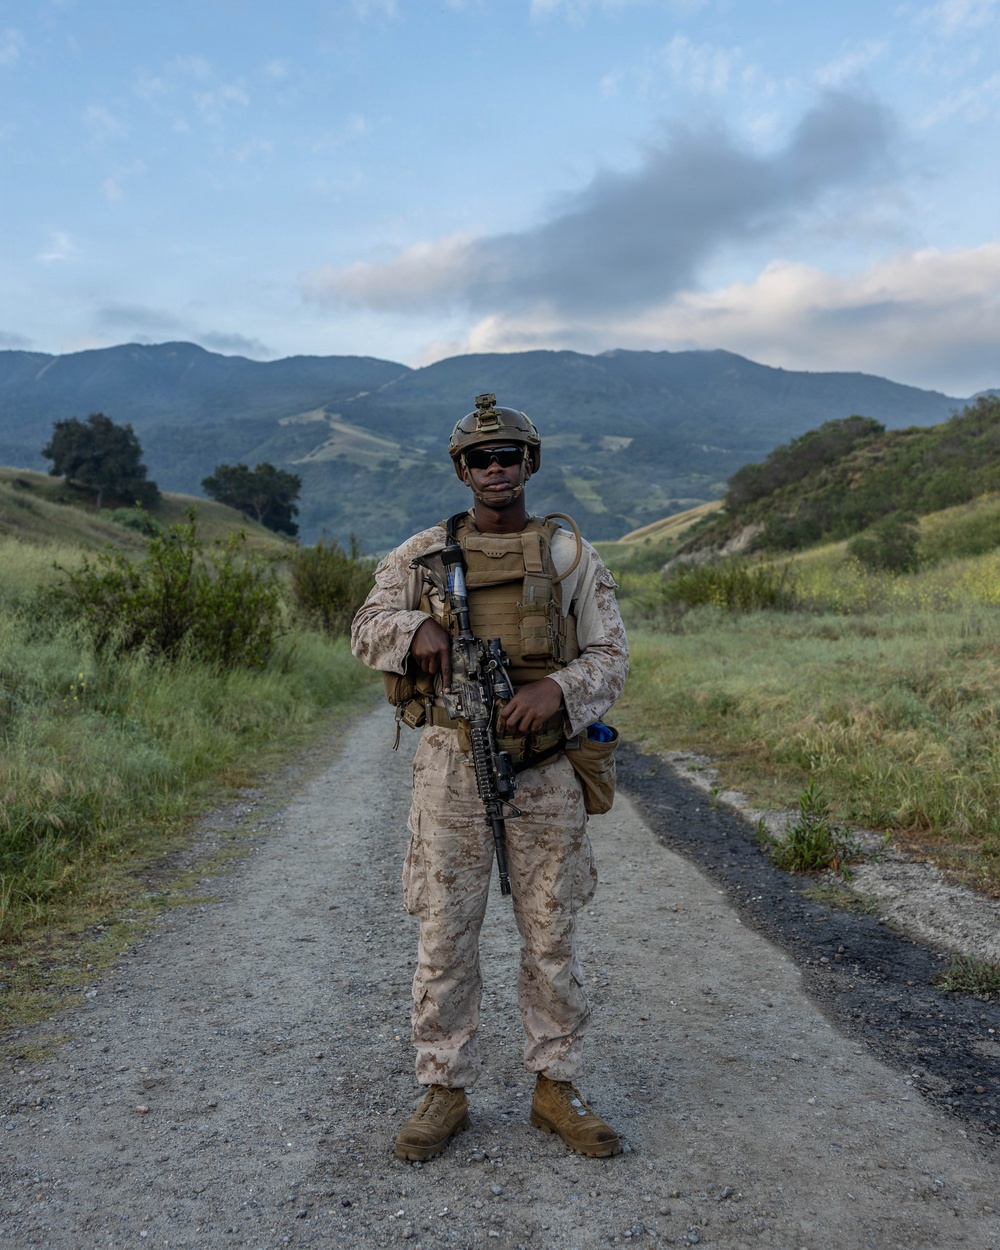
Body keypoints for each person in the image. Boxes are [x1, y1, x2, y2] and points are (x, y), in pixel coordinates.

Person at [351, 394, 629, 1161]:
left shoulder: (571, 556)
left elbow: (611, 656)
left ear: (530, 464)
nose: (496, 468)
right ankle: (443, 1088)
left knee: (551, 931)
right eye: (481, 458)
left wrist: (558, 692)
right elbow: (364, 630)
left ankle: (556, 1087)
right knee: (445, 930)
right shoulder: (420, 556)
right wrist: (417, 629)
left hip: (543, 767)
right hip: (450, 765)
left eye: (509, 455)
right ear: (462, 470)